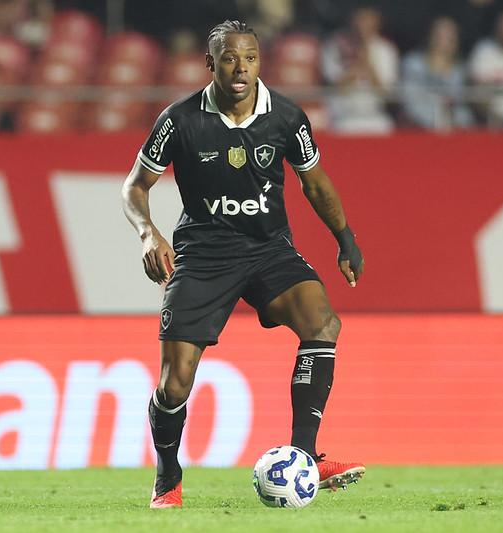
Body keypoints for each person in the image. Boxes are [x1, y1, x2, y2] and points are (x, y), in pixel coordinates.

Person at [121, 20, 365, 509]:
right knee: (174, 383)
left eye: (250, 58)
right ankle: (168, 476)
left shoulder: (287, 117)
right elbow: (135, 186)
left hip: (268, 248)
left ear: (259, 62)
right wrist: (149, 232)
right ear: (210, 63)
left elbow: (315, 182)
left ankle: (303, 455)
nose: (241, 69)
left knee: (322, 322)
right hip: (204, 255)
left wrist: (346, 238)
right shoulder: (179, 120)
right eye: (229, 58)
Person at [320, 6, 398, 134]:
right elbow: (333, 85)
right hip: (343, 117)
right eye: (360, 20)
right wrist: (354, 68)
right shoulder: (334, 45)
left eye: (368, 21)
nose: (363, 26)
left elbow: (386, 93)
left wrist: (368, 62)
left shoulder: (386, 50)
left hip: (375, 117)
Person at [401, 16, 473, 130]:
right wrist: (436, 122)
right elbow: (410, 103)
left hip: (453, 127)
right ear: (430, 36)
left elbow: (461, 106)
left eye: (449, 36)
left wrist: (454, 122)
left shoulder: (460, 69)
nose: (443, 40)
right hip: (419, 126)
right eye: (439, 35)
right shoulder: (412, 63)